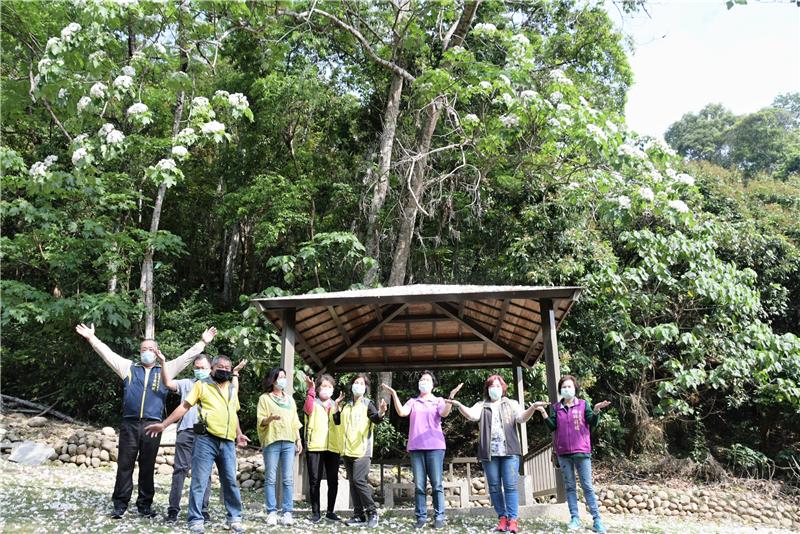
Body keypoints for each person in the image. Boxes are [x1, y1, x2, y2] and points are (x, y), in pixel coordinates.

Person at [74, 322, 217, 519]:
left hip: (153, 425)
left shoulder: (165, 370)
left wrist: (202, 342)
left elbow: (187, 357)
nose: (147, 352)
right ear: (139, 352)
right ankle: (120, 504)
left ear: (157, 351)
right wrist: (92, 338)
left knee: (148, 466)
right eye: (144, 349)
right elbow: (108, 354)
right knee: (125, 464)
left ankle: (145, 505)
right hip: (130, 423)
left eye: (151, 349)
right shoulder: (128, 368)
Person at [145, 355, 250, 534]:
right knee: (199, 481)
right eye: (220, 366)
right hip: (206, 439)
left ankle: (234, 518)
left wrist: (239, 434)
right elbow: (184, 407)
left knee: (230, 481)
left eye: (227, 367)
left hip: (228, 442)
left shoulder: (232, 389)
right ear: (213, 368)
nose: (224, 370)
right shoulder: (201, 385)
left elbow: (233, 412)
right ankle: (195, 519)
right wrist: (164, 424)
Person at [447, 374, 545, 534]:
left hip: (510, 452)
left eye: (498, 386)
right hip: (489, 453)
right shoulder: (482, 405)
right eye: (492, 386)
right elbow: (471, 415)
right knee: (494, 487)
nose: (495, 389)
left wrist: (532, 408)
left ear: (503, 388)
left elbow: (521, 418)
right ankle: (502, 518)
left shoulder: (511, 404)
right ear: (488, 389)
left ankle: (513, 520)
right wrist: (458, 405)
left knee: (510, 486)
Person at [381, 371, 461, 529]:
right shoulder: (413, 401)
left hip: (435, 447)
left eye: (427, 380)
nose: (424, 382)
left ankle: (439, 516)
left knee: (437, 484)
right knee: (419, 485)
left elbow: (444, 413)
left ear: (433, 385)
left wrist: (450, 398)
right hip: (416, 447)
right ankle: (421, 517)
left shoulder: (438, 400)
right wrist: (394, 394)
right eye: (422, 379)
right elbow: (402, 412)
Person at [536, 375, 610, 534]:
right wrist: (543, 412)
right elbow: (552, 426)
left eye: (569, 386)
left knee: (587, 486)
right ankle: (574, 518)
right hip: (563, 453)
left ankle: (597, 520)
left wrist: (596, 410)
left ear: (575, 388)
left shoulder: (583, 404)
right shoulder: (557, 407)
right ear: (560, 390)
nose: (566, 389)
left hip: (582, 452)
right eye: (564, 387)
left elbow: (592, 423)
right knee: (570, 487)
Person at [333, 373, 387, 529]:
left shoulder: (367, 404)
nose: (358, 385)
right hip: (347, 450)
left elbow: (376, 418)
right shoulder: (347, 405)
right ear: (351, 386)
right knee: (353, 484)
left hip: (362, 450)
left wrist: (382, 412)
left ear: (365, 388)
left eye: (361, 383)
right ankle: (358, 515)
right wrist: (337, 407)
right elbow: (338, 422)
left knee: (359, 481)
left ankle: (372, 513)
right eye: (356, 382)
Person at [257, 367, 302, 527]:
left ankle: (287, 512)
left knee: (288, 479)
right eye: (280, 377)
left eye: (284, 377)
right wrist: (269, 419)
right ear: (272, 380)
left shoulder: (290, 399)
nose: (283, 380)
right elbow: (261, 420)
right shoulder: (264, 399)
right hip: (272, 441)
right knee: (270, 478)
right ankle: (271, 512)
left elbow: (295, 421)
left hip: (289, 441)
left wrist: (298, 439)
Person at [303, 372, 344, 523]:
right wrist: (310, 390)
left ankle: (330, 511)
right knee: (315, 480)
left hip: (332, 446)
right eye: (323, 386)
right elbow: (307, 410)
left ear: (333, 389)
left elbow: (338, 422)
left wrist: (338, 407)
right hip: (315, 445)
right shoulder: (312, 401)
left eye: (329, 386)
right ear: (318, 388)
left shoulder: (336, 404)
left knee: (333, 480)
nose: (326, 389)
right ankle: (316, 512)